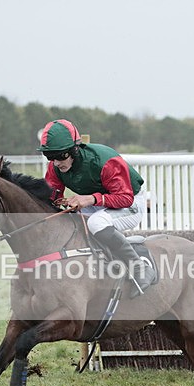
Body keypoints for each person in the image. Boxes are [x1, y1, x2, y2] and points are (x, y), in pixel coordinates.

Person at [38, 119, 154, 298]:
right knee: (71, 221)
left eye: (60, 156)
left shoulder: (104, 161)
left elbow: (125, 198)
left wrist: (91, 199)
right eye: (50, 157)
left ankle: (139, 266)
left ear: (74, 150)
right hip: (100, 204)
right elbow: (51, 197)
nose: (56, 162)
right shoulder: (55, 167)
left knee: (97, 223)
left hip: (131, 203)